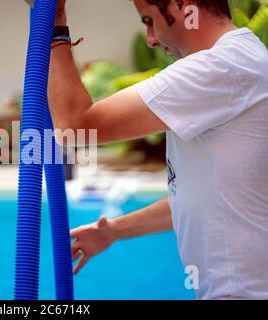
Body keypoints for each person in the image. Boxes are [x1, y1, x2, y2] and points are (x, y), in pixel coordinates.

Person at [48, 0, 268, 300]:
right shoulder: (244, 56)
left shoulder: (222, 66)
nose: (150, 39)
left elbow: (73, 127)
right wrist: (114, 229)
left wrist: (55, 24)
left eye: (149, 20)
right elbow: (204, 195)